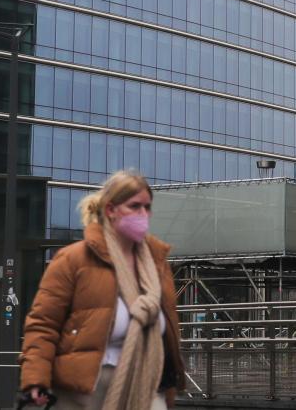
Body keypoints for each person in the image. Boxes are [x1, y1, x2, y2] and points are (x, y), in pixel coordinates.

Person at [19, 170, 184, 409]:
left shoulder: (156, 262)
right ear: (110, 210)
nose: (143, 214)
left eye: (147, 207)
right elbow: (43, 324)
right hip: (87, 387)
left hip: (146, 378)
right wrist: (36, 379)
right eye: (134, 206)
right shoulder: (74, 258)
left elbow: (168, 326)